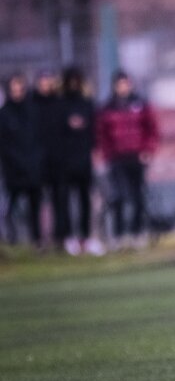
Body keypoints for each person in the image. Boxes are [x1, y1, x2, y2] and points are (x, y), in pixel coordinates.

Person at [96, 70, 159, 250]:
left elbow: (152, 130)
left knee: (137, 197)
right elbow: (101, 135)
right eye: (120, 84)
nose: (123, 87)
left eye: (126, 84)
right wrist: (106, 155)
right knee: (118, 197)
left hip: (137, 157)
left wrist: (148, 150)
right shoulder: (108, 108)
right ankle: (119, 235)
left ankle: (136, 234)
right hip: (116, 159)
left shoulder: (141, 104)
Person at [60, 66, 103, 256]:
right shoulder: (60, 105)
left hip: (84, 161)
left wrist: (95, 154)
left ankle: (87, 238)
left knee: (86, 201)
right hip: (65, 162)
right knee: (66, 202)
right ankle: (69, 237)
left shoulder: (87, 104)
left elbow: (95, 132)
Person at [0, 73, 43, 247]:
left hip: (32, 167)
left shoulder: (32, 111)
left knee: (35, 206)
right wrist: (16, 162)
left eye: (20, 88)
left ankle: (36, 241)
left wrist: (36, 161)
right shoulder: (4, 114)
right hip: (14, 170)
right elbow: (4, 144)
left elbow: (39, 139)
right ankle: (12, 240)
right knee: (10, 207)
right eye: (14, 89)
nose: (17, 92)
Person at [32, 69, 68, 248]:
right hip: (36, 161)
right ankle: (38, 239)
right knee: (36, 201)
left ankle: (60, 237)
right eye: (43, 81)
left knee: (60, 199)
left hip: (58, 161)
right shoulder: (31, 104)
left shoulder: (59, 104)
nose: (45, 85)